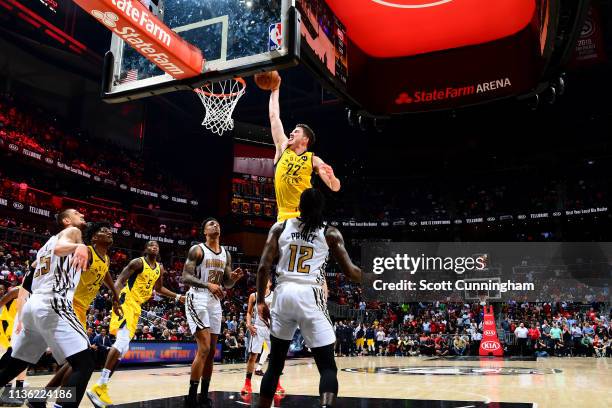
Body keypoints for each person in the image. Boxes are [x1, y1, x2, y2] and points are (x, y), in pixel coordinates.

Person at [255, 188, 362, 408]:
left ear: (298, 206)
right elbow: (351, 272)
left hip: (283, 294)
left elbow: (263, 267)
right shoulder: (330, 233)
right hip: (309, 294)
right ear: (321, 208)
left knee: (275, 365)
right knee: (328, 367)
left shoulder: (280, 227)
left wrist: (260, 301)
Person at [0, 209, 92, 408]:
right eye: (76, 213)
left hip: (35, 306)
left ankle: (37, 398)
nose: (82, 215)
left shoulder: (45, 245)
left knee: (16, 363)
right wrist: (81, 246)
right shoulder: (73, 232)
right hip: (54, 302)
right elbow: (60, 248)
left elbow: (33, 270)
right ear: (67, 221)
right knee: (84, 363)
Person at [87, 241, 185, 408]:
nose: (154, 247)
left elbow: (159, 289)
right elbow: (119, 281)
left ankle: (101, 386)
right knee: (122, 342)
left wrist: (177, 296)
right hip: (126, 301)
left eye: (156, 245)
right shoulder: (138, 262)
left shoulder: (159, 268)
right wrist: (116, 300)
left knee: (123, 349)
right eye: (151, 245)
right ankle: (99, 385)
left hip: (136, 307)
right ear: (145, 249)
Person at [43, 223, 123, 399]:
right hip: (69, 305)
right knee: (81, 359)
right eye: (102, 231)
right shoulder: (85, 251)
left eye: (109, 231)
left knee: (75, 360)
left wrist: (115, 296)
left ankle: (40, 397)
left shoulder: (105, 258)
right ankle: (62, 401)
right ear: (94, 238)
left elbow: (105, 274)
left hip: (80, 310)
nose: (108, 232)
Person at [181, 218, 244, 408]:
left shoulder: (226, 253)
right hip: (197, 298)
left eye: (217, 224)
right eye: (210, 224)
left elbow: (226, 283)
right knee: (205, 348)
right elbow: (186, 276)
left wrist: (233, 279)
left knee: (211, 353)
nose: (215, 225)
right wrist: (208, 284)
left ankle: (204, 396)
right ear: (205, 232)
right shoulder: (198, 249)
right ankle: (191, 397)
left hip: (215, 302)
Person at [268, 72, 341, 222]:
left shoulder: (313, 160)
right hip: (283, 216)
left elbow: (335, 187)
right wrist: (275, 90)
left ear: (305, 139)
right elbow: (274, 116)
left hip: (305, 216)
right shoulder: (283, 148)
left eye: (296, 131)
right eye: (292, 131)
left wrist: (332, 177)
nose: (291, 133)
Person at [242, 278, 277, 395]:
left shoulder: (275, 295)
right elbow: (249, 312)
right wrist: (248, 324)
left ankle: (277, 384)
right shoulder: (253, 296)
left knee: (276, 358)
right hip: (257, 328)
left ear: (270, 283)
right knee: (253, 356)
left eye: (266, 280)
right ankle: (247, 384)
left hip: (272, 329)